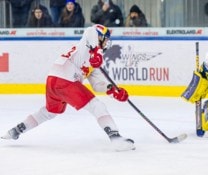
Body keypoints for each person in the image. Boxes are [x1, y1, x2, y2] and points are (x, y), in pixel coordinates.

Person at [1, 24, 135, 152]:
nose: (107, 43)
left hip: (53, 80)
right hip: (65, 78)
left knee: (50, 112)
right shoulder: (87, 44)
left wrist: (112, 90)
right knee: (97, 106)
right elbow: (91, 30)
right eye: (105, 40)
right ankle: (116, 138)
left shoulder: (95, 61)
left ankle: (17, 130)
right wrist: (97, 51)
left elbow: (97, 84)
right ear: (100, 37)